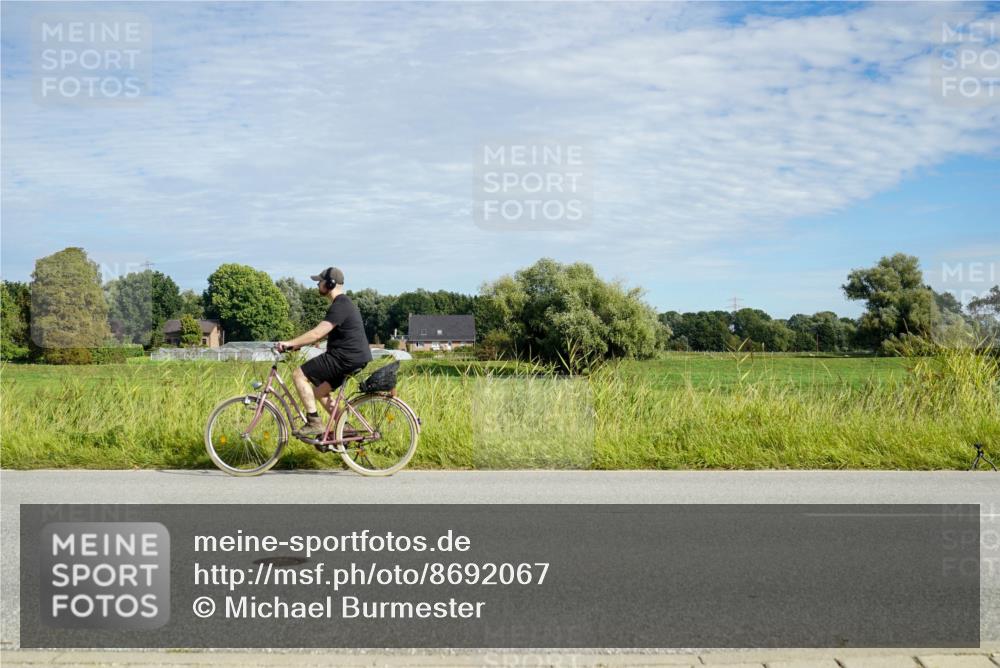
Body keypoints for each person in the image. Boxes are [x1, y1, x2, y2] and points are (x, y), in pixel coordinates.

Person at [276, 267, 372, 437]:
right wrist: (297, 345)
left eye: (319, 281)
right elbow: (326, 334)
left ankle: (314, 422)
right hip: (353, 358)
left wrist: (289, 343)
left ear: (330, 283)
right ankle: (346, 429)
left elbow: (317, 333)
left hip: (344, 358)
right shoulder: (343, 304)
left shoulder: (340, 305)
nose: (317, 285)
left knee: (299, 374)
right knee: (319, 391)